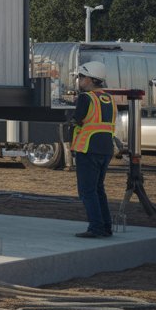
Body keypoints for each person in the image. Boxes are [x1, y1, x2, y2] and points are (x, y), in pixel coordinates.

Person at [70, 61, 117, 238]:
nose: (79, 80)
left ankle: (96, 228)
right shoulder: (109, 98)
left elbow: (77, 119)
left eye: (81, 77)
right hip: (105, 149)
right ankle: (106, 227)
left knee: (87, 191)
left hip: (87, 148)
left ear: (90, 79)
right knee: (98, 189)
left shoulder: (86, 98)